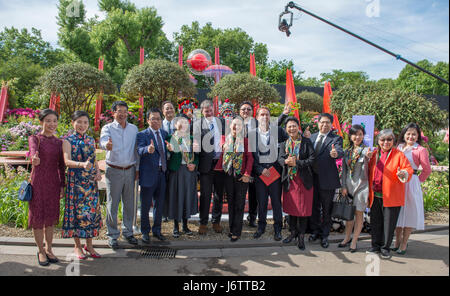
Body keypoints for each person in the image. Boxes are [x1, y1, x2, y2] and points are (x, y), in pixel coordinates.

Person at [367, 129, 413, 259]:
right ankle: (375, 245)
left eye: (389, 139)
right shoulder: (374, 154)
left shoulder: (399, 155)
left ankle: (385, 248)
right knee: (375, 222)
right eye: (382, 139)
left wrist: (403, 173)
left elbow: (408, 170)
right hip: (375, 195)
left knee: (389, 224)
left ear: (393, 141)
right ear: (378, 141)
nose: (386, 142)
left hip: (391, 196)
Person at [62, 111, 102, 259]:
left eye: (85, 122)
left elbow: (94, 159)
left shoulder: (91, 140)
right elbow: (66, 161)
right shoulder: (67, 140)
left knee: (90, 214)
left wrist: (97, 172)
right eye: (79, 122)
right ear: (73, 122)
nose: (82, 125)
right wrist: (81, 164)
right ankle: (77, 246)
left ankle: (90, 245)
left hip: (90, 183)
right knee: (77, 215)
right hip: (76, 182)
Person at [28, 108, 65, 266]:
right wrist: (34, 158)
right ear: (41, 122)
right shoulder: (35, 138)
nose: (52, 124)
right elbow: (32, 152)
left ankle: (49, 249)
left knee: (50, 219)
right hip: (38, 183)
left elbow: (62, 166)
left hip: (53, 183)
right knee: (38, 218)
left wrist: (62, 185)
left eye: (54, 121)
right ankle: (40, 250)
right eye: (48, 121)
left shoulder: (59, 142)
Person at [100, 101, 139, 249]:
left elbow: (136, 150)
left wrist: (137, 169)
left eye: (124, 111)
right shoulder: (108, 128)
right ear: (113, 113)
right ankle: (112, 235)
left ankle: (128, 232)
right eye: (119, 111)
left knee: (129, 204)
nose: (122, 114)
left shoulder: (133, 129)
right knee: (113, 204)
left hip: (130, 169)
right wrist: (106, 145)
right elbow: (103, 141)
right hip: (113, 170)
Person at [250, 107, 288, 241]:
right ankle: (261, 227)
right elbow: (251, 157)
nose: (264, 117)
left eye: (267, 114)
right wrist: (260, 170)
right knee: (262, 202)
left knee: (277, 202)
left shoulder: (278, 131)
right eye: (262, 114)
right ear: (257, 117)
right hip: (260, 174)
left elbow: (289, 144)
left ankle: (278, 228)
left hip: (275, 173)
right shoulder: (252, 134)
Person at [307, 113, 344, 248]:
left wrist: (336, 154)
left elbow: (339, 150)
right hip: (312, 179)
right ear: (318, 123)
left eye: (327, 122)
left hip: (327, 180)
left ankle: (324, 235)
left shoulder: (336, 138)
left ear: (331, 124)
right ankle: (315, 231)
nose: (324, 125)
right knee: (314, 207)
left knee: (326, 208)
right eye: (322, 122)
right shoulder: (311, 137)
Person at [394, 123, 432, 255]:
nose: (411, 136)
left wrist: (417, 181)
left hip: (411, 183)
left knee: (409, 213)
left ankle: (404, 243)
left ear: (418, 136)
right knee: (397, 213)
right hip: (398, 184)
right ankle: (396, 241)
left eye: (414, 134)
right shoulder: (398, 147)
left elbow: (427, 170)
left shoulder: (420, 150)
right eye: (408, 133)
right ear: (404, 134)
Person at [278, 117, 315, 250]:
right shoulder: (284, 144)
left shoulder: (306, 142)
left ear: (298, 127)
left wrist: (297, 163)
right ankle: (293, 232)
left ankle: (301, 236)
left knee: (303, 210)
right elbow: (280, 158)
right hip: (290, 180)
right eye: (289, 126)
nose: (292, 129)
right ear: (286, 129)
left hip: (304, 180)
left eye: (294, 126)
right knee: (292, 209)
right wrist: (286, 162)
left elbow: (312, 159)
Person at [214, 116, 253, 242]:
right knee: (230, 203)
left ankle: (237, 231)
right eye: (234, 125)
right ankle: (231, 228)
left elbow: (250, 158)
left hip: (241, 176)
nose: (236, 127)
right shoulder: (225, 140)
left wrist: (247, 174)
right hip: (228, 175)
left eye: (239, 125)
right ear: (230, 126)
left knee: (239, 204)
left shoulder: (246, 141)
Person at [339, 124, 374, 252]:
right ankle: (347, 238)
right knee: (349, 215)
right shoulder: (347, 151)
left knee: (359, 214)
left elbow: (370, 166)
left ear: (363, 135)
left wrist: (368, 158)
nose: (357, 137)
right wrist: (343, 186)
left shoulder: (366, 151)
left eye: (360, 134)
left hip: (362, 187)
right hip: (349, 187)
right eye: (355, 134)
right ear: (350, 136)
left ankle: (354, 241)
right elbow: (344, 171)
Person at [193, 100, 226, 235]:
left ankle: (216, 221)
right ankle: (203, 222)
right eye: (206, 111)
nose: (209, 113)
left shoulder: (222, 122)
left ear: (214, 110)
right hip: (205, 165)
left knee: (219, 195)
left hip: (220, 163)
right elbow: (193, 141)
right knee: (205, 195)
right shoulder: (196, 125)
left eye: (210, 110)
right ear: (202, 112)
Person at [137, 108, 169, 242]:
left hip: (162, 174)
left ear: (161, 121)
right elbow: (138, 150)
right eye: (153, 118)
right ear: (148, 120)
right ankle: (145, 231)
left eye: (158, 119)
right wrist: (147, 149)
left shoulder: (164, 133)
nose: (156, 121)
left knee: (159, 204)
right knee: (145, 205)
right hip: (148, 174)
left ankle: (157, 230)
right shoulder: (142, 135)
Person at [164, 115, 199, 237]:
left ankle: (185, 225)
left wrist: (194, 164)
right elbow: (165, 156)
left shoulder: (191, 138)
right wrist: (169, 150)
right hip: (176, 171)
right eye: (180, 122)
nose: (183, 125)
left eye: (185, 122)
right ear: (175, 125)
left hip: (189, 172)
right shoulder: (170, 138)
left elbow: (197, 156)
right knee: (176, 197)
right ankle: (175, 226)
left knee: (186, 197)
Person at [239, 101, 258, 227]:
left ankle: (252, 218)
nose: (246, 111)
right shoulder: (234, 124)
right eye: (243, 109)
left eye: (248, 109)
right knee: (239, 194)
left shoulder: (259, 124)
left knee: (254, 193)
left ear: (252, 111)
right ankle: (237, 219)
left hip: (256, 164)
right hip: (241, 165)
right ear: (239, 112)